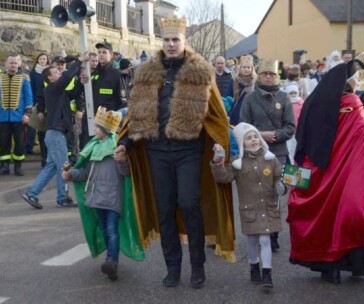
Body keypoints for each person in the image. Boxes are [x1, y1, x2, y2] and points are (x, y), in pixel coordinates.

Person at [114, 15, 236, 289]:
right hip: (157, 151)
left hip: (189, 151)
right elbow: (137, 115)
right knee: (165, 209)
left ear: (184, 41)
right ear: (162, 41)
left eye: (175, 40)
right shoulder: (146, 72)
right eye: (167, 40)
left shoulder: (201, 72)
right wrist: (125, 144)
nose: (170, 44)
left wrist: (218, 140)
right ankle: (172, 268)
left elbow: (216, 115)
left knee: (190, 204)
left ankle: (197, 267)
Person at [289, 61, 364, 284]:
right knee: (342, 213)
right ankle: (347, 264)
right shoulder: (352, 101)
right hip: (345, 171)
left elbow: (301, 135)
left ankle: (326, 268)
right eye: (355, 77)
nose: (357, 80)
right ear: (347, 80)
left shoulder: (313, 100)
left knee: (317, 216)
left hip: (315, 169)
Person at [62, 107, 134, 281]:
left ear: (105, 130)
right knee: (105, 229)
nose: (94, 130)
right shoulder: (93, 147)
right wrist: (71, 174)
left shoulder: (116, 147)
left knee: (111, 229)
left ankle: (112, 261)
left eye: (97, 127)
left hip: (112, 197)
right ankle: (111, 258)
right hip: (96, 197)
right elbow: (85, 173)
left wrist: (123, 161)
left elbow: (126, 173)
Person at [211, 123, 284, 288]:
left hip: (268, 207)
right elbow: (224, 177)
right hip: (249, 210)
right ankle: (254, 266)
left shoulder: (270, 159)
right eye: (248, 138)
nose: (253, 140)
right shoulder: (238, 162)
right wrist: (218, 163)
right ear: (241, 142)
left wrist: (282, 186)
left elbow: (279, 177)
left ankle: (267, 274)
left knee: (265, 240)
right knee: (252, 241)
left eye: (255, 136)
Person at [240, 59, 296, 252]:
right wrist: (259, 135)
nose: (269, 77)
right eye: (265, 74)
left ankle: (273, 233)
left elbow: (290, 127)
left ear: (277, 76)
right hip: (255, 152)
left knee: (275, 193)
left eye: (272, 74)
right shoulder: (249, 98)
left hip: (278, 152)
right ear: (259, 75)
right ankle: (257, 230)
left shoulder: (284, 97)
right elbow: (242, 126)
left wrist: (276, 135)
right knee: (257, 193)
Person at [22, 52, 89, 209]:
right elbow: (66, 80)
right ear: (50, 78)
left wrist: (80, 81)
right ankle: (62, 197)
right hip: (56, 134)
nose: (60, 72)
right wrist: (79, 62)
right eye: (56, 72)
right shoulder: (52, 89)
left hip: (54, 134)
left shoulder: (58, 93)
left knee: (51, 167)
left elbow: (72, 93)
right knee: (63, 167)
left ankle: (31, 193)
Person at [79, 40, 122, 150]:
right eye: (99, 52)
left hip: (106, 121)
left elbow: (121, 101)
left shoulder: (117, 75)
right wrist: (81, 82)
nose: (101, 55)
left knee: (104, 151)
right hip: (90, 119)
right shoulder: (92, 74)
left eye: (104, 52)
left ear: (111, 55)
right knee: (87, 149)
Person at [28, 53, 50, 160]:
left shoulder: (50, 72)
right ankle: (31, 147)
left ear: (47, 60)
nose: (42, 60)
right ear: (37, 60)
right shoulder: (33, 73)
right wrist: (32, 103)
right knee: (35, 127)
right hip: (37, 102)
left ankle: (47, 154)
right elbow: (31, 88)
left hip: (48, 102)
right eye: (40, 59)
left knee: (46, 130)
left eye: (44, 59)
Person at [226, 54, 256, 126]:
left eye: (248, 67)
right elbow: (228, 97)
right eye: (244, 67)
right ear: (240, 68)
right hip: (236, 113)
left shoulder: (255, 82)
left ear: (252, 69)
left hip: (250, 113)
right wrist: (227, 113)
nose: (246, 69)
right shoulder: (234, 81)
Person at [284, 83, 304, 164]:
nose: (293, 95)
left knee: (296, 149)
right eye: (291, 93)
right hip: (288, 131)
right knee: (289, 150)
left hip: (298, 131)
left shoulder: (301, 103)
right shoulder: (285, 103)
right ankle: (290, 164)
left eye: (295, 93)